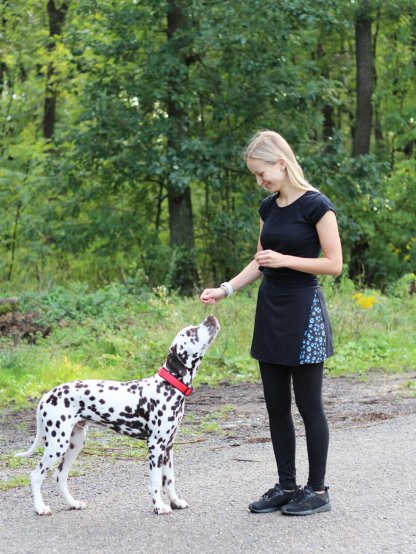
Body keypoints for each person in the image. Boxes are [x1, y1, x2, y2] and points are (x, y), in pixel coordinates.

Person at [200, 130, 342, 516]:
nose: (259, 181)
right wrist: (225, 289)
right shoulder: (268, 207)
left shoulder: (317, 206)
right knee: (276, 406)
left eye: (262, 173)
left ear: (281, 162)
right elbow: (261, 259)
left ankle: (317, 490)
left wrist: (286, 261)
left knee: (308, 405)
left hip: (304, 312)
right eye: (254, 176)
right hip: (271, 312)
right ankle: (286, 485)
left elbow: (333, 263)